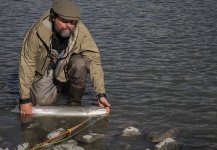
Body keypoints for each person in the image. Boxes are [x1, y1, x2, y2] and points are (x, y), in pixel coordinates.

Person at [18, 0, 110, 115]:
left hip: (64, 67)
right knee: (41, 106)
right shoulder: (37, 31)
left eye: (72, 22)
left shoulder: (81, 31)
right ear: (53, 17)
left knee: (80, 63)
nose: (68, 25)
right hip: (44, 71)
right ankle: (56, 90)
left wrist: (101, 94)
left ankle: (74, 103)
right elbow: (27, 64)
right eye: (64, 21)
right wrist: (24, 99)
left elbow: (94, 61)